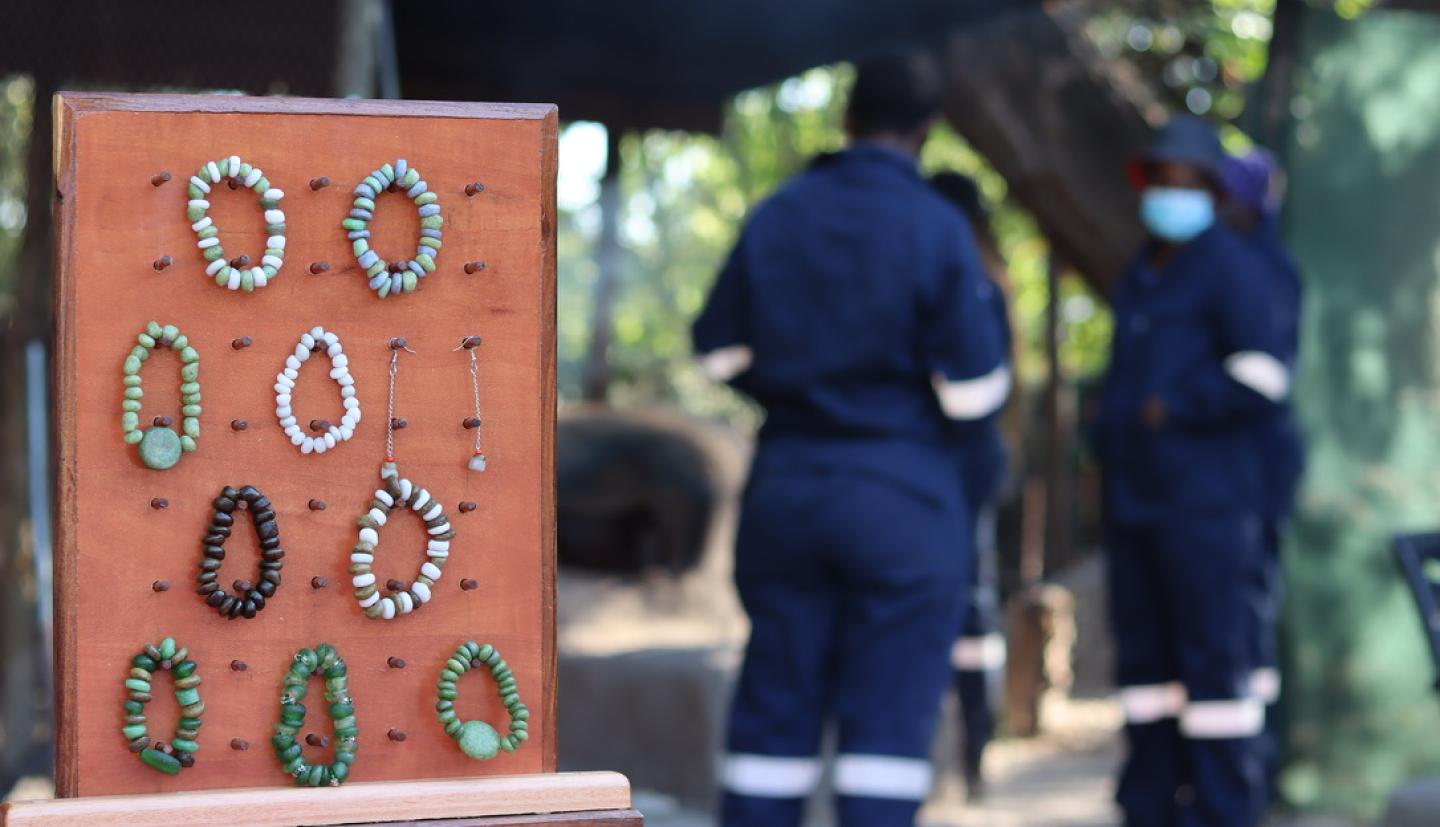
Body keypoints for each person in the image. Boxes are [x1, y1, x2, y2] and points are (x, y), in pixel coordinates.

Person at [693, 51, 1009, 827]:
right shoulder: (938, 227)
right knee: (888, 726)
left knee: (774, 713)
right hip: (903, 503)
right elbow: (974, 390)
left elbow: (716, 352)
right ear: (928, 130)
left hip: (790, 492)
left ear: (849, 116)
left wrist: (794, 384)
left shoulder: (782, 212)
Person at [1093, 116, 1288, 827]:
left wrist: (1175, 406)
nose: (1170, 193)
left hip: (1207, 504)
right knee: (1145, 668)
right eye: (1161, 180)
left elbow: (1266, 374)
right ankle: (1149, 802)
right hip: (1136, 501)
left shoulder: (1234, 267)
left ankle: (1224, 807)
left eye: (1185, 181)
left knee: (1215, 665)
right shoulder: (1141, 272)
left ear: (1208, 188)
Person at [1221, 146, 1305, 791]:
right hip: (1228, 478)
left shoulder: (1266, 270)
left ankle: (1257, 767)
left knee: (1251, 617)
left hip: (1255, 474)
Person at [929, 171, 1012, 800]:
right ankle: (972, 751)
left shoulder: (964, 281)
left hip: (950, 467)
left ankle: (973, 750)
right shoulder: (986, 279)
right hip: (964, 468)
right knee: (971, 609)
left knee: (963, 610)